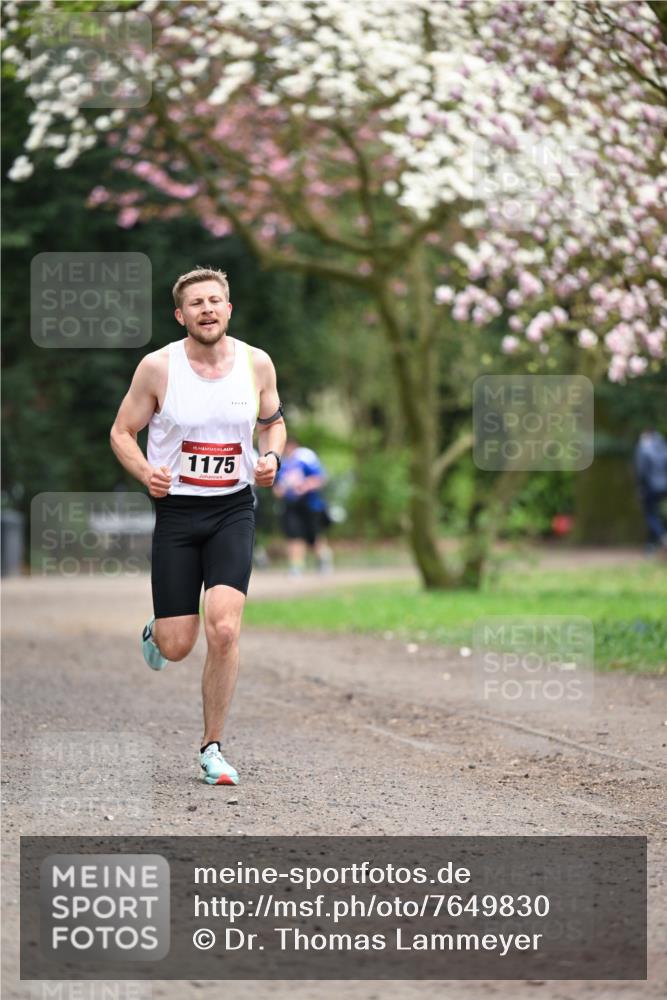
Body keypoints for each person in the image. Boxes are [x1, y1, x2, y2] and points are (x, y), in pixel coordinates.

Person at [110, 266, 286, 785]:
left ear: (228, 309)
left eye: (215, 301)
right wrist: (146, 472)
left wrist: (272, 459)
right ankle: (157, 631)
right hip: (179, 513)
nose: (207, 309)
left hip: (233, 508)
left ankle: (212, 748)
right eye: (196, 303)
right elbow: (122, 431)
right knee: (177, 645)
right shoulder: (157, 368)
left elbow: (272, 423)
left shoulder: (256, 364)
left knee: (225, 628)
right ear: (180, 314)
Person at [273, 437, 333, 575]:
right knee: (294, 536)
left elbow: (320, 478)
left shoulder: (305, 457)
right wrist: (280, 490)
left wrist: (304, 486)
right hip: (291, 506)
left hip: (310, 504)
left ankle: (323, 560)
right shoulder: (282, 463)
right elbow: (277, 488)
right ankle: (296, 567)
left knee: (314, 536)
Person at [634, 428, 667, 553]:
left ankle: (663, 536)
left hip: (650, 487)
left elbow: (641, 470)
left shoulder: (644, 448)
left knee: (650, 515)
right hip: (664, 487)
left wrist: (640, 487)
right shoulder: (663, 447)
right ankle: (650, 546)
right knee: (657, 515)